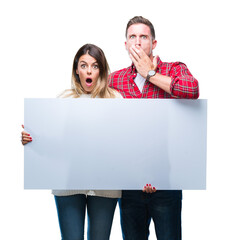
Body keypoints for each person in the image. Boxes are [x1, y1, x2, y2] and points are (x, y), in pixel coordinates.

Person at [108, 16, 199, 240]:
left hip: (166, 182)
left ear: (153, 43)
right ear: (126, 44)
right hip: (129, 185)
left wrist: (150, 73)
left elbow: (192, 89)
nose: (137, 42)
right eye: (132, 37)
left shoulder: (174, 69)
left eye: (143, 37)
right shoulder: (115, 79)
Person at [21, 43, 122, 240]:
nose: (89, 70)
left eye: (94, 65)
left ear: (101, 69)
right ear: (77, 69)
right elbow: (54, 143)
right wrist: (32, 141)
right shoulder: (64, 99)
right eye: (83, 65)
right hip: (69, 183)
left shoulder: (116, 99)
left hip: (105, 185)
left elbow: (125, 143)